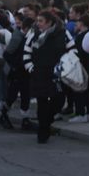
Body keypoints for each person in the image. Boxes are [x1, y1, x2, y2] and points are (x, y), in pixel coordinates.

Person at [24, 10, 68, 143]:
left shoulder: (62, 33)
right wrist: (31, 68)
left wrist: (64, 67)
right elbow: (26, 52)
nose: (38, 24)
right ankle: (43, 132)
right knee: (42, 103)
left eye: (41, 21)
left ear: (49, 23)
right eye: (37, 21)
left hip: (56, 75)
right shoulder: (34, 34)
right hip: (39, 74)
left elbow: (73, 50)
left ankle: (46, 123)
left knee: (59, 101)